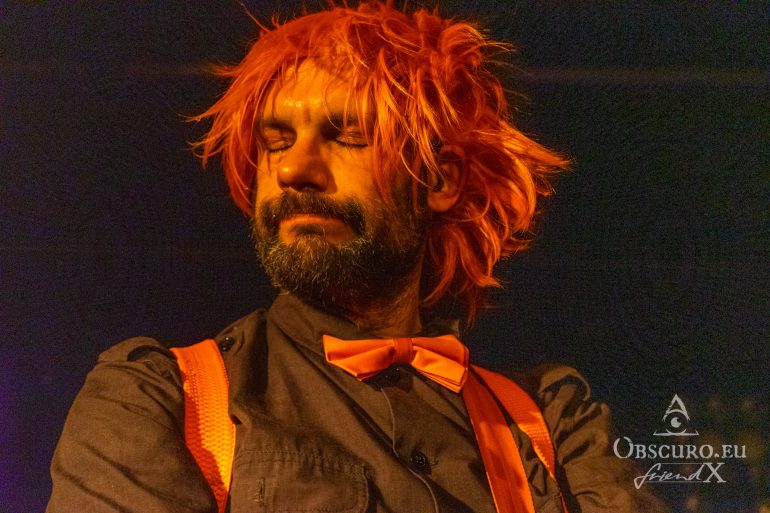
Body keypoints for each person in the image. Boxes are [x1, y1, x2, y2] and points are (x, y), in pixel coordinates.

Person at [47, 2, 666, 512]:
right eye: (275, 141)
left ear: (439, 179)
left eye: (346, 136)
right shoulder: (156, 399)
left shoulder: (553, 423)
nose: (294, 169)